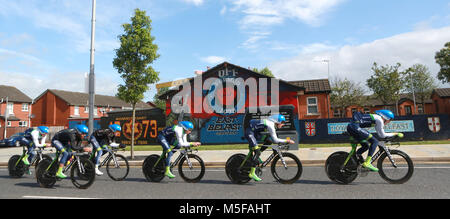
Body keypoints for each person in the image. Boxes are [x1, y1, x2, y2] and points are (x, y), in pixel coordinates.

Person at [245, 114, 295, 182]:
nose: (283, 124)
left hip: (255, 131)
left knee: (269, 141)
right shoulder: (271, 125)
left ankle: (257, 155)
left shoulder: (271, 123)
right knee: (257, 152)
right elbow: (276, 140)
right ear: (277, 121)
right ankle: (252, 173)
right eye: (282, 122)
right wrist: (287, 140)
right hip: (250, 131)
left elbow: (273, 139)